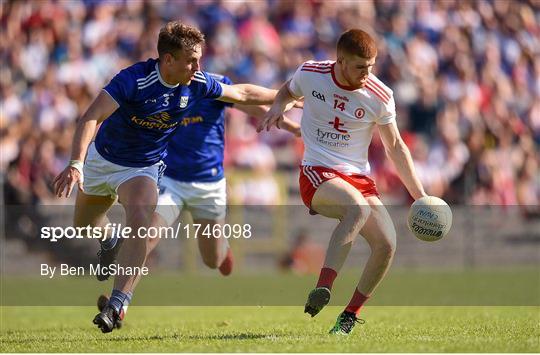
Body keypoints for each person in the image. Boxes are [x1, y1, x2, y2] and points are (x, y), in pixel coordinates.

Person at [53, 21, 290, 334]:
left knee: (140, 220)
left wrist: (294, 95)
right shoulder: (133, 79)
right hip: (103, 160)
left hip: (143, 168)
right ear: (168, 60)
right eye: (191, 60)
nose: (198, 66)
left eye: (199, 59)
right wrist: (75, 163)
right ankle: (109, 240)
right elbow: (91, 116)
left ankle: (118, 303)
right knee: (83, 225)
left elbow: (243, 93)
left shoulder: (197, 83)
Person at [259, 28, 427, 335]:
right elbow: (287, 91)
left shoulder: (380, 95)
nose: (368, 73)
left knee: (387, 244)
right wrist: (276, 107)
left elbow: (395, 147)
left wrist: (420, 196)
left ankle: (348, 316)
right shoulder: (311, 72)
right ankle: (323, 288)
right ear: (340, 61)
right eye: (361, 66)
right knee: (357, 209)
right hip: (318, 171)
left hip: (357, 177)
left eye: (372, 66)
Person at [147, 72, 301, 276]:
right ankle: (119, 302)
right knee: (147, 235)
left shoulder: (213, 84)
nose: (193, 64)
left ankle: (222, 249)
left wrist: (292, 127)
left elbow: (247, 102)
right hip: (170, 179)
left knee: (212, 260)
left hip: (207, 183)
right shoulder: (158, 87)